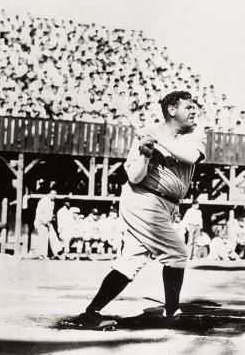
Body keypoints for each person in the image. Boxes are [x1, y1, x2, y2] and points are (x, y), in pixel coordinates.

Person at [73, 91, 205, 328]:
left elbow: (191, 157)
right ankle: (172, 313)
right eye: (188, 107)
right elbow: (135, 177)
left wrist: (158, 142)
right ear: (172, 111)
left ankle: (91, 312)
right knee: (177, 253)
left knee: (131, 260)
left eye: (194, 107)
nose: (194, 111)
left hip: (167, 205)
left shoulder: (195, 134)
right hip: (143, 199)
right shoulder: (147, 135)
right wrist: (144, 155)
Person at [30, 190, 63, 259]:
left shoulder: (52, 202)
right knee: (44, 238)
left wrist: (51, 219)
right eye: (53, 194)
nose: (54, 196)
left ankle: (56, 253)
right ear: (49, 194)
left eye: (55, 194)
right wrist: (45, 222)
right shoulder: (43, 201)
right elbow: (39, 213)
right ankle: (42, 255)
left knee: (53, 236)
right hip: (41, 222)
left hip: (48, 222)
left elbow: (50, 213)